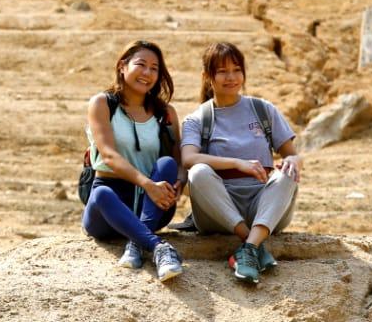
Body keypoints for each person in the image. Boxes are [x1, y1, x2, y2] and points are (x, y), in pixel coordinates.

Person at [182, 42, 302, 285]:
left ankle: (247, 249)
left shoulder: (263, 109)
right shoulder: (198, 119)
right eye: (223, 71)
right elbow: (188, 158)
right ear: (207, 76)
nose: (231, 77)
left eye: (237, 70)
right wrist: (238, 163)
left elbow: (292, 153)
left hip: (263, 205)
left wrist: (292, 161)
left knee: (287, 175)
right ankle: (254, 244)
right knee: (198, 172)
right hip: (219, 210)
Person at [82, 39, 186, 281]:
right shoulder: (102, 103)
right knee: (101, 194)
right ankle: (158, 247)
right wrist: (147, 184)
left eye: (154, 68)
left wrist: (180, 180)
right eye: (141, 65)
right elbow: (108, 154)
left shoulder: (166, 113)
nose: (147, 73)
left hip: (154, 202)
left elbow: (179, 159)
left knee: (167, 165)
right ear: (122, 66)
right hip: (111, 203)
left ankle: (137, 243)